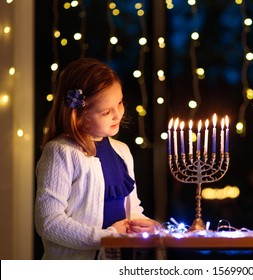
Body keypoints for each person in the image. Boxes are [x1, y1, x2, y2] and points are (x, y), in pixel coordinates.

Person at [35, 58, 160, 259]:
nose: (118, 115)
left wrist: (146, 225)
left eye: (119, 103)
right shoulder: (60, 152)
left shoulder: (122, 151)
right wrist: (108, 237)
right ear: (78, 115)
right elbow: (49, 222)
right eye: (106, 111)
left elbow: (131, 210)